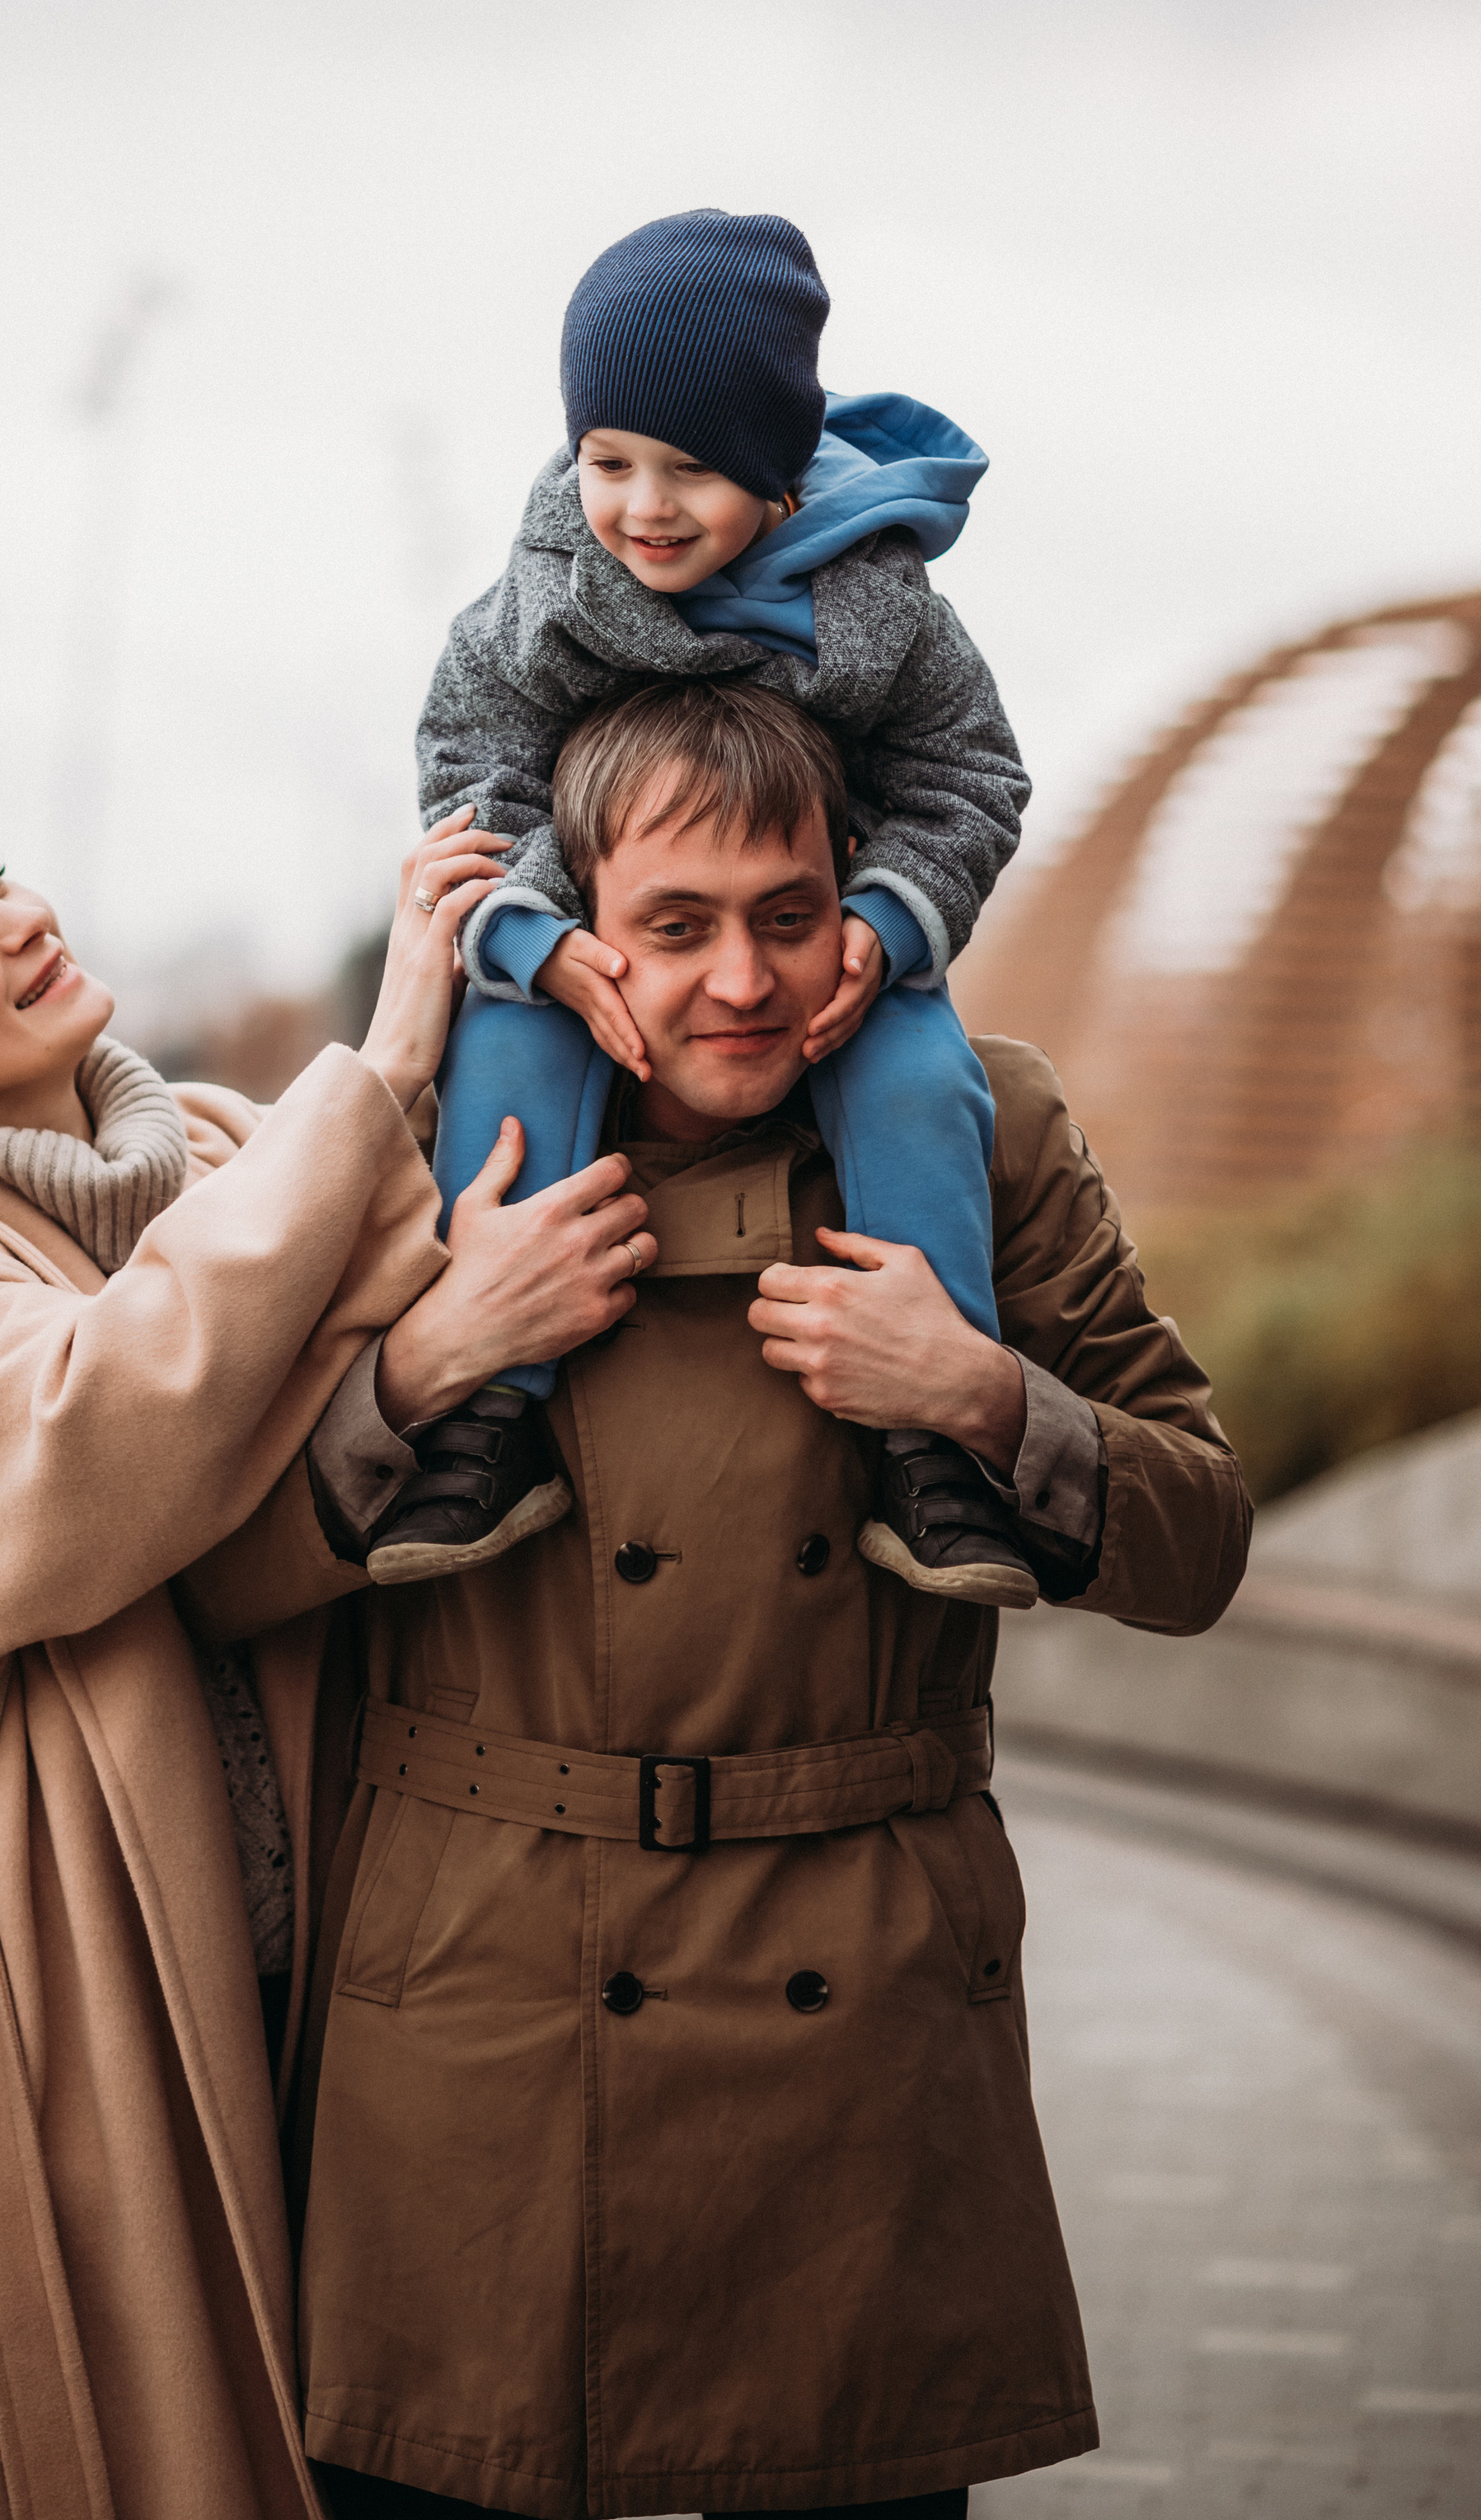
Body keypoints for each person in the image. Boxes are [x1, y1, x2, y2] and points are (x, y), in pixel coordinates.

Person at [0, 793, 656, 2520]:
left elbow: (259, 1523)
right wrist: (386, 1071)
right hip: (71, 1989)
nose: (16, 920)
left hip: (352, 1973)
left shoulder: (246, 1161)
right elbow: (90, 1439)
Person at [294, 676, 1253, 2520]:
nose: (741, 982)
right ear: (574, 936)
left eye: (786, 918)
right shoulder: (408, 1144)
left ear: (859, 907)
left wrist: (977, 1393)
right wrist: (425, 1367)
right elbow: (204, 1550)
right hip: (480, 2025)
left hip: (857, 2054)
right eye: (672, 928)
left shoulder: (978, 1132)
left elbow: (1199, 1538)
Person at [377, 209, 1036, 1614]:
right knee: (502, 1068)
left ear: (781, 474)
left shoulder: (880, 604)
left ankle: (932, 1438)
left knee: (924, 1083)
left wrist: (889, 917)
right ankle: (488, 1409)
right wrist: (536, 939)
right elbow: (471, 769)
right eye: (609, 461)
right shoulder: (547, 595)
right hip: (589, 935)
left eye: (693, 469)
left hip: (825, 943)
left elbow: (967, 773)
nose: (645, 508)